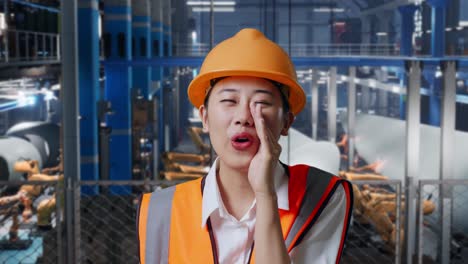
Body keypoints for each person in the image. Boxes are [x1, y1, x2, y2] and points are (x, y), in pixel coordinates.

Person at [137, 28, 353, 264]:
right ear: (205, 117)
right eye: (229, 100)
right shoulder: (160, 212)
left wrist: (266, 195)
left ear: (286, 122)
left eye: (261, 103)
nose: (244, 117)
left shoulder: (322, 196)